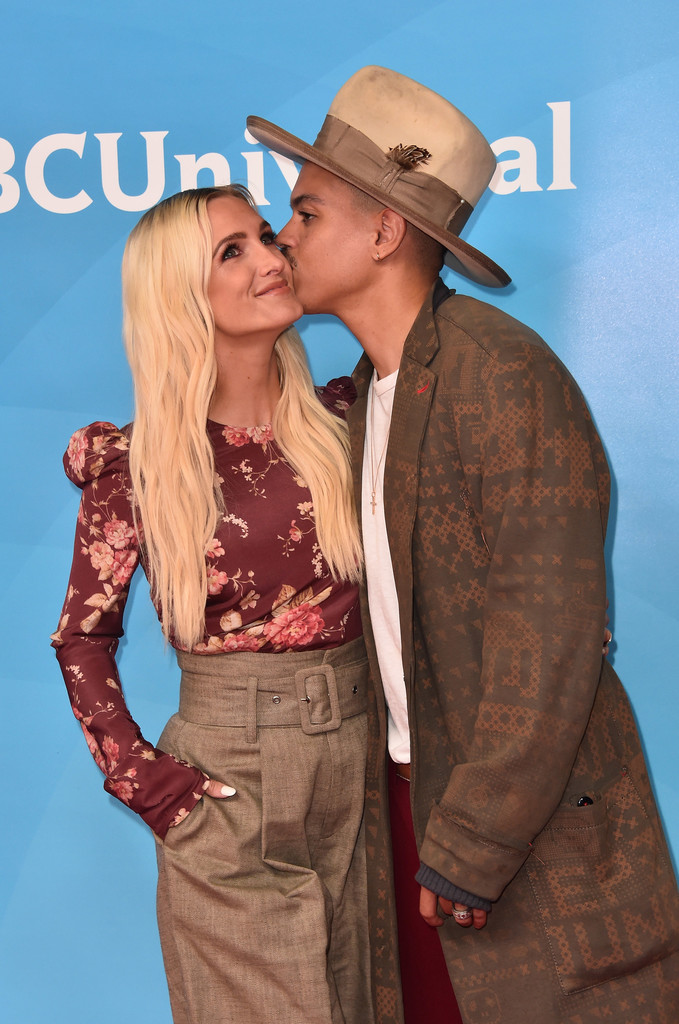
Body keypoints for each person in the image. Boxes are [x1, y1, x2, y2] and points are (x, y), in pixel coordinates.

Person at [247, 66, 679, 1024]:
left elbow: (551, 636)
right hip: (417, 817)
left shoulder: (501, 374)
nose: (285, 234)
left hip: (517, 841)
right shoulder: (369, 394)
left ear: (384, 232)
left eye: (307, 213)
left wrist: (473, 844)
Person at [50, 185, 374, 1024]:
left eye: (265, 235)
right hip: (230, 783)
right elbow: (82, 639)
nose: (271, 258)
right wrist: (146, 782)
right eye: (233, 251)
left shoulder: (347, 419)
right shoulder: (137, 466)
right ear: (179, 296)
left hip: (361, 767)